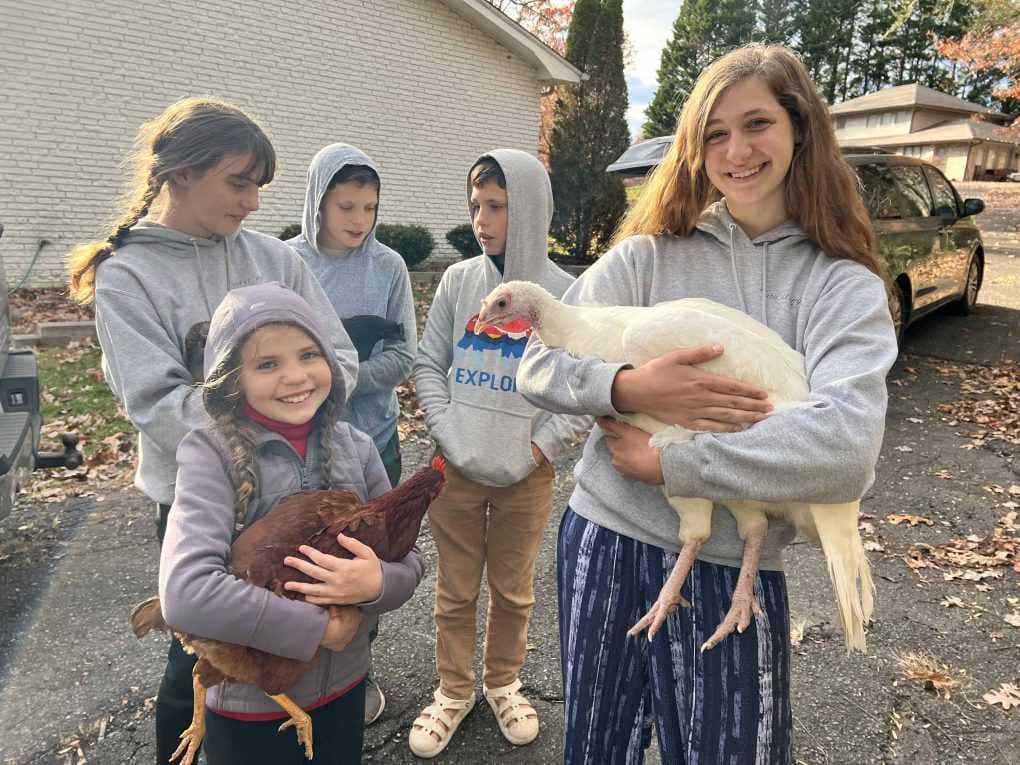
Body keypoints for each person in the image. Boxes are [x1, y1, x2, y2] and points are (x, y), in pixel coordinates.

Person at [516, 44, 898, 764]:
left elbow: (845, 448)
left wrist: (674, 460)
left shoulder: (838, 285)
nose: (736, 150)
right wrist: (629, 387)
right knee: (597, 748)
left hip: (733, 562)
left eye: (756, 124)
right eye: (714, 133)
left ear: (800, 129)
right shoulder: (648, 256)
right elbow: (540, 362)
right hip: (608, 537)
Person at [66, 98, 359, 765]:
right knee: (203, 655)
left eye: (260, 185)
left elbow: (337, 356)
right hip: (199, 497)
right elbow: (158, 401)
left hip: (298, 489)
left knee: (302, 636)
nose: (254, 202)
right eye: (239, 181)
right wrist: (273, 428)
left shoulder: (273, 260)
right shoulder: (128, 275)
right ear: (180, 174)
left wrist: (294, 439)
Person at [158, 282, 423, 764]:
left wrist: (376, 583)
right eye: (267, 364)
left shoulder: (358, 448)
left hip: (344, 691)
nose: (295, 376)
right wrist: (315, 629)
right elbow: (186, 592)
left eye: (308, 354)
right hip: (248, 708)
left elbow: (410, 562)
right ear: (231, 379)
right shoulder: (209, 456)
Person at [409, 150, 589, 758]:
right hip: (454, 471)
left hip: (527, 475)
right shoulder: (460, 282)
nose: (482, 219)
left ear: (531, 210)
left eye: (497, 206)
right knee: (456, 591)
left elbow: (582, 391)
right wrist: (448, 432)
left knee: (514, 591)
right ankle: (454, 690)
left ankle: (503, 683)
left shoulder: (565, 295)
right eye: (476, 205)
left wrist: (540, 447)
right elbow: (429, 363)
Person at [288, 143, 417, 725]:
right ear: (317, 202)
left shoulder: (388, 267)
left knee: (370, 556)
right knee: (303, 559)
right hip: (299, 443)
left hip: (374, 438)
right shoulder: (286, 262)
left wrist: (334, 382)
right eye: (345, 206)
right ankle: (296, 667)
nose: (358, 220)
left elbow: (403, 356)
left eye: (369, 207)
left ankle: (356, 669)